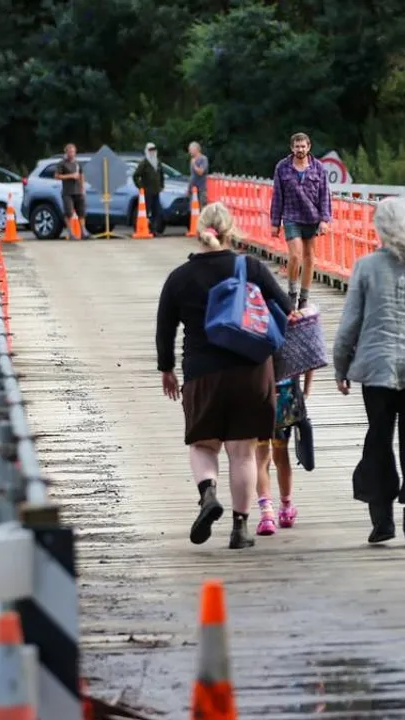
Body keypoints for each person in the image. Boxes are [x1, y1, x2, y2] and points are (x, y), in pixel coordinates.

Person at [155, 202, 294, 550]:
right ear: (231, 231)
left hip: (202, 375)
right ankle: (240, 529)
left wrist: (166, 369)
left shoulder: (179, 278)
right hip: (251, 372)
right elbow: (286, 308)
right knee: (243, 453)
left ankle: (208, 493)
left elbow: (164, 329)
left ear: (199, 231)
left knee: (203, 444)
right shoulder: (250, 267)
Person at [332, 196, 405, 549]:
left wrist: (341, 365)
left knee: (379, 439)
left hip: (376, 369)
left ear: (380, 228)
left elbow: (349, 323)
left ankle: (382, 518)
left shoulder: (366, 267)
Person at [269, 132, 332, 310]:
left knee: (309, 258)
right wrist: (275, 223)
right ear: (292, 148)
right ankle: (291, 293)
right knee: (295, 255)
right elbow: (277, 196)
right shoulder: (282, 167)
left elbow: (325, 195)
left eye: (303, 146)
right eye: (297, 146)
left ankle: (304, 297)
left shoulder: (318, 168)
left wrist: (325, 219)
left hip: (312, 217)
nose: (300, 149)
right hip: (291, 216)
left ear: (308, 147)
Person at [254, 364, 314, 536]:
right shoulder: (291, 342)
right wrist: (305, 390)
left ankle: (266, 515)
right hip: (285, 397)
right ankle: (286, 509)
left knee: (261, 458)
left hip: (258, 394)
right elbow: (310, 357)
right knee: (281, 455)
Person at [53, 143, 85, 238]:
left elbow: (81, 175)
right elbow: (56, 176)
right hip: (68, 192)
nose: (71, 154)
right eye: (70, 152)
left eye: (73, 152)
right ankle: (71, 233)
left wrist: (82, 188)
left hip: (78, 191)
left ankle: (83, 232)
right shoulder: (62, 163)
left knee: (81, 212)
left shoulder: (78, 163)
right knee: (69, 213)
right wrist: (71, 176)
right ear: (66, 152)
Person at [133, 142, 165, 234]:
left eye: (154, 150)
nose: (152, 152)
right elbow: (136, 176)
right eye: (150, 150)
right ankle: (144, 228)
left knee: (156, 211)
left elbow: (161, 175)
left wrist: (162, 185)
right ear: (147, 151)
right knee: (145, 211)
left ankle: (153, 229)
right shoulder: (144, 163)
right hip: (147, 192)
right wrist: (140, 187)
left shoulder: (158, 162)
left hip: (156, 191)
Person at [188, 141, 209, 207]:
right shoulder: (192, 159)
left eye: (190, 150)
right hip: (193, 189)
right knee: (193, 209)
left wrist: (194, 164)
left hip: (201, 189)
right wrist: (189, 188)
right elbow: (192, 175)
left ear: (196, 149)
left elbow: (201, 172)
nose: (189, 152)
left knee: (202, 208)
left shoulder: (203, 159)